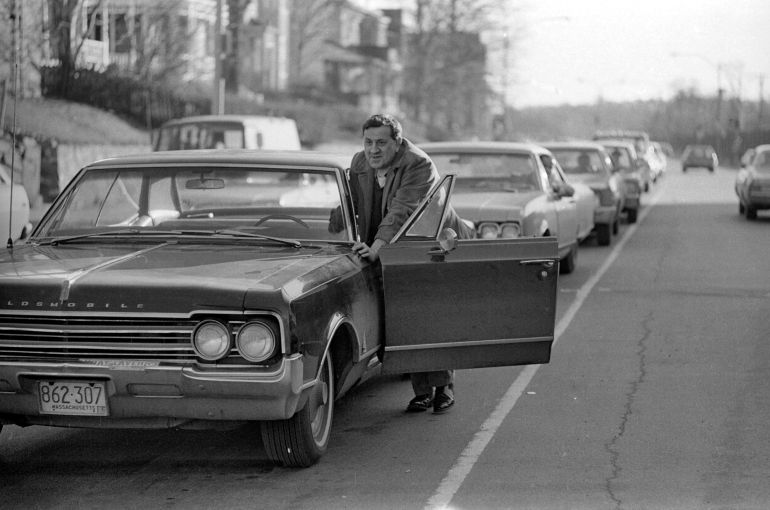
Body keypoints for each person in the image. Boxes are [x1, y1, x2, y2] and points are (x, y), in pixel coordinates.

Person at [347, 113, 462, 414]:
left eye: (381, 143)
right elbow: (348, 206)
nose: (373, 150)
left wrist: (375, 248)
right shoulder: (359, 163)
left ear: (397, 143)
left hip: (430, 247)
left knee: (428, 318)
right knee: (401, 320)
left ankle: (443, 387)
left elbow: (401, 211)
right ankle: (421, 391)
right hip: (391, 251)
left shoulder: (418, 164)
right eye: (368, 142)